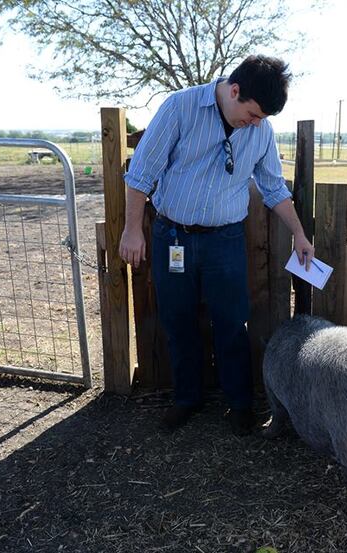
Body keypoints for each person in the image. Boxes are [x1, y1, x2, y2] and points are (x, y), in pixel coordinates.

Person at [119, 55, 314, 436]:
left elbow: (273, 187)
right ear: (235, 90)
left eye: (262, 118)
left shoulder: (261, 131)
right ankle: (187, 399)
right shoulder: (180, 107)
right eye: (253, 114)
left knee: (231, 322)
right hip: (172, 237)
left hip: (224, 241)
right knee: (177, 320)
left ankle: (239, 404)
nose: (256, 123)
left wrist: (299, 233)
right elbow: (141, 173)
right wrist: (132, 230)